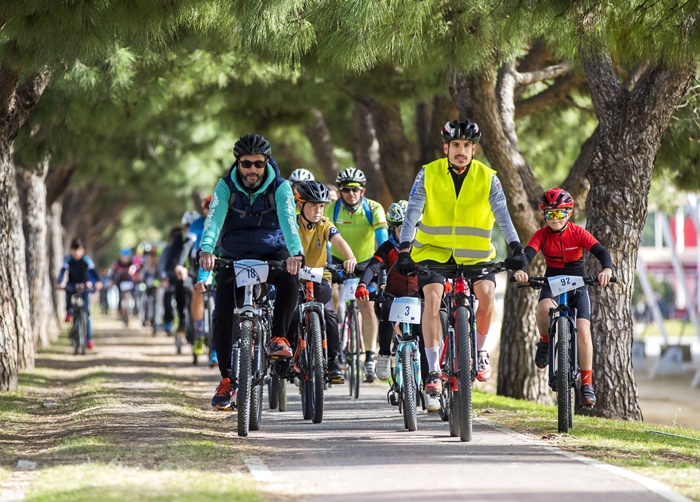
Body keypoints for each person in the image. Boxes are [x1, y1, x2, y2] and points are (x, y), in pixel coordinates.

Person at [397, 119, 525, 396]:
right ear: (446, 147)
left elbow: (502, 214)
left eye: (467, 145)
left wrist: (516, 247)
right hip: (432, 251)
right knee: (432, 298)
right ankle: (432, 369)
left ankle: (479, 351)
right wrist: (405, 249)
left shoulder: (488, 176)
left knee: (488, 296)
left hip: (476, 254)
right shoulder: (427, 173)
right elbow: (413, 212)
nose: (461, 150)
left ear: (474, 149)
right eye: (456, 144)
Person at [197, 133, 304, 410]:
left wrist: (295, 254)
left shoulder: (280, 187)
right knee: (221, 313)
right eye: (246, 164)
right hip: (234, 254)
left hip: (272, 250)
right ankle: (227, 380)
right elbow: (213, 222)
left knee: (290, 279)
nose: (252, 170)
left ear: (266, 162)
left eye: (258, 164)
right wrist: (206, 251)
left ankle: (279, 336)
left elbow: (289, 222)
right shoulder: (225, 187)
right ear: (238, 163)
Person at [513, 188, 613, 406]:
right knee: (542, 310)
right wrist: (521, 270)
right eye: (549, 214)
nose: (554, 219)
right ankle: (545, 341)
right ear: (544, 216)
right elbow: (527, 254)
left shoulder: (578, 233)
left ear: (568, 213)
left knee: (584, 332)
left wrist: (606, 270)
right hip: (553, 283)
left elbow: (602, 253)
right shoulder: (541, 235)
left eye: (559, 213)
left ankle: (587, 383)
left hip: (579, 286)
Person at [355, 200, 438, 411]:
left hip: (418, 296)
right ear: (394, 228)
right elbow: (373, 266)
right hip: (393, 295)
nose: (407, 232)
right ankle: (383, 354)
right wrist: (363, 284)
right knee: (385, 311)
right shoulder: (389, 246)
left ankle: (430, 385)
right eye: (401, 228)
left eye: (412, 227)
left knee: (423, 338)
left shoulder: (425, 246)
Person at [289, 180, 356, 382]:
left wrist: (350, 258)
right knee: (291, 314)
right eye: (312, 205)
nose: (318, 211)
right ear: (300, 205)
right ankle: (290, 356)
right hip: (295, 277)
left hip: (319, 277)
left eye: (321, 206)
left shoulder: (325, 224)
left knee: (329, 314)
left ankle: (334, 361)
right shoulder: (291, 223)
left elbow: (338, 240)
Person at [325, 167, 388, 381]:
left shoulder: (373, 208)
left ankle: (369, 357)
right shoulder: (331, 209)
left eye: (355, 189)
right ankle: (330, 344)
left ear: (363, 190)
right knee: (330, 295)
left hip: (365, 262)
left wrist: (383, 267)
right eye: (346, 190)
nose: (351, 194)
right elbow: (324, 239)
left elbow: (382, 241)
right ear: (340, 191)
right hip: (336, 260)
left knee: (367, 305)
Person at [56, 238, 102, 348]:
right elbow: (62, 271)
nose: (77, 253)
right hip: (72, 284)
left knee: (86, 312)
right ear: (71, 250)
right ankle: (68, 312)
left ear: (83, 250)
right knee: (68, 293)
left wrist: (98, 282)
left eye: (79, 250)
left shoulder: (86, 260)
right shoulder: (68, 260)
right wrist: (59, 282)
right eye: (75, 250)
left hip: (84, 284)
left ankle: (88, 338)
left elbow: (93, 272)